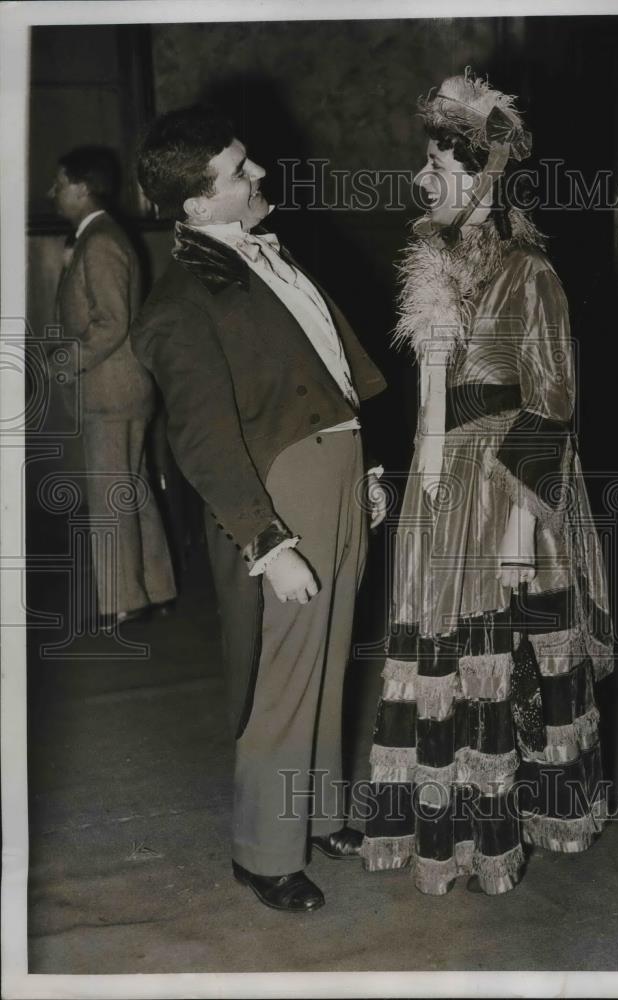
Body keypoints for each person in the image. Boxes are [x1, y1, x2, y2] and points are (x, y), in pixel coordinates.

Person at [360, 70, 614, 895]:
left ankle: (497, 839)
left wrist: (519, 530)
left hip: (503, 489)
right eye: (426, 163)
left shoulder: (531, 273)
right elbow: (430, 402)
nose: (422, 179)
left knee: (501, 658)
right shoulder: (433, 268)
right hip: (441, 493)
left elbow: (553, 403)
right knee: (440, 652)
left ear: (482, 175)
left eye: (440, 164)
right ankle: (454, 838)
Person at [131, 106, 386, 913]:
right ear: (199, 205)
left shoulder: (266, 257)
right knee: (282, 673)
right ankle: (264, 852)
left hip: (337, 471)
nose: (260, 176)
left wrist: (366, 467)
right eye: (240, 172)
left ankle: (319, 811)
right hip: (279, 491)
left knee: (331, 648)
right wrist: (268, 543)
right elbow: (202, 444)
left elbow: (329, 368)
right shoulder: (178, 304)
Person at [48, 146, 176, 628]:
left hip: (109, 393)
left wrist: (65, 361)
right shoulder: (97, 237)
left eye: (59, 184)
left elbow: (110, 322)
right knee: (134, 491)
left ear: (82, 188)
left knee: (109, 496)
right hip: (124, 389)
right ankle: (157, 588)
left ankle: (124, 600)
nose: (52, 193)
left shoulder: (99, 240)